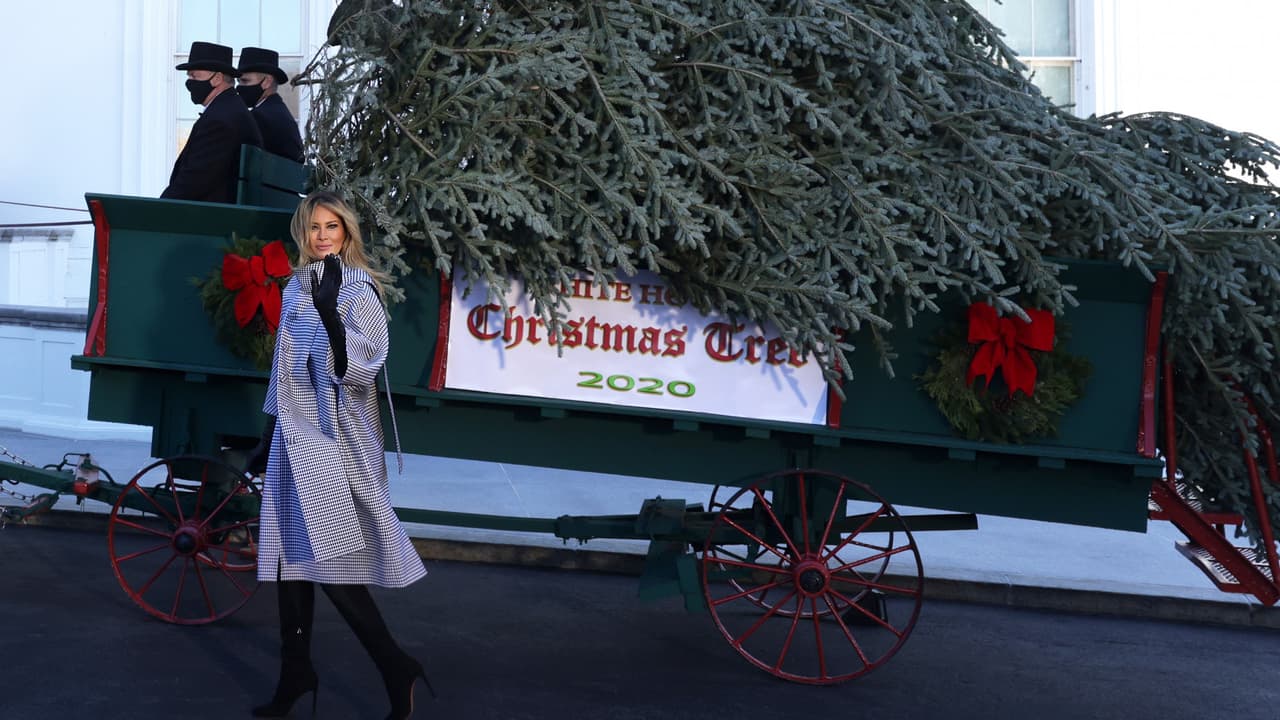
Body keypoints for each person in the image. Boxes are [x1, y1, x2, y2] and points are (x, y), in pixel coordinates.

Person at [245, 191, 432, 719]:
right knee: (289, 564)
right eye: (314, 226)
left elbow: (360, 372)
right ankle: (295, 672)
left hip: (336, 443)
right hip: (292, 440)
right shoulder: (296, 286)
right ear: (302, 233)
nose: (323, 235)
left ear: (347, 234)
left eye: (333, 226)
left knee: (329, 564)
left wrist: (330, 315)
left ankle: (395, 663)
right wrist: (267, 436)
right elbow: (283, 369)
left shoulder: (358, 289)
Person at [161, 41, 263, 203]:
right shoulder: (228, 109)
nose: (189, 83)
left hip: (211, 219)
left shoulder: (220, 120)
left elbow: (194, 180)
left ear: (217, 78)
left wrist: (158, 209)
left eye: (194, 76)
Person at [236, 47, 305, 163]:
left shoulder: (260, 116)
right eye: (239, 82)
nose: (239, 88)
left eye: (245, 81)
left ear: (267, 81)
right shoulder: (277, 111)